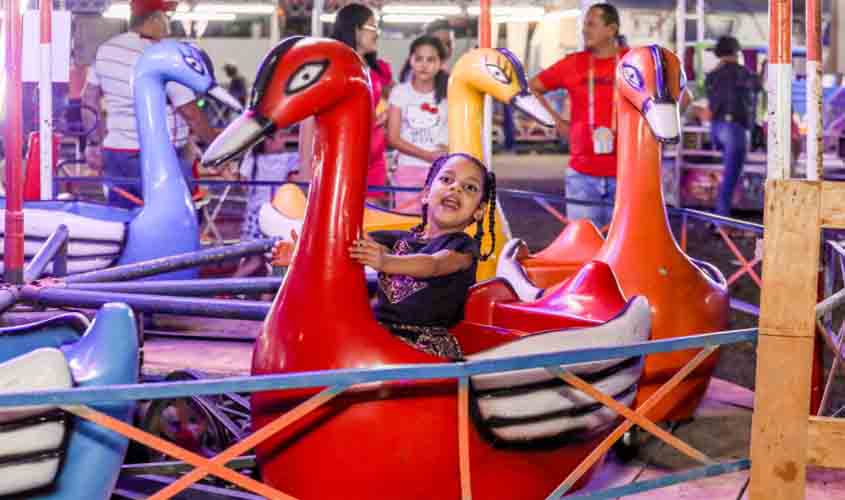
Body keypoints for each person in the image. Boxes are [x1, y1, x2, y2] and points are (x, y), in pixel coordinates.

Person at [349, 153, 496, 359]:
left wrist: (386, 261)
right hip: (380, 333)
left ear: (479, 211)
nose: (456, 188)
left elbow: (433, 264)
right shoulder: (400, 239)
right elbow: (350, 242)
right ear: (426, 193)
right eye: (446, 180)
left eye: (469, 187)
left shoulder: (463, 248)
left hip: (425, 342)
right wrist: (299, 252)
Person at [82, 0, 220, 209]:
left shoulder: (106, 50)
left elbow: (88, 99)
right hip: (157, 156)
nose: (168, 26)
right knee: (179, 217)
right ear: (155, 18)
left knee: (124, 219)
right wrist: (219, 145)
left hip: (116, 154)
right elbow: (190, 112)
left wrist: (94, 144)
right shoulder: (164, 56)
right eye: (167, 18)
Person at [528, 3, 627, 229]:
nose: (584, 30)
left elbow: (676, 91)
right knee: (584, 249)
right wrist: (556, 122)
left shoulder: (633, 63)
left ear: (611, 30)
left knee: (620, 254)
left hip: (626, 175)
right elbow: (531, 88)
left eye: (591, 24)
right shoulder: (573, 63)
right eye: (584, 24)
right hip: (582, 174)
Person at [387, 35, 449, 212]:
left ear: (441, 63)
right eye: (419, 59)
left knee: (438, 222)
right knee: (406, 224)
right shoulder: (400, 92)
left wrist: (446, 151)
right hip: (408, 169)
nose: (424, 65)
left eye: (430, 60)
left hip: (442, 171)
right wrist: (426, 155)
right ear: (411, 60)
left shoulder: (449, 94)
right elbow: (393, 137)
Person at [705, 36, 762, 220]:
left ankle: (719, 217)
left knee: (727, 174)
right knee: (731, 177)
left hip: (715, 128)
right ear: (737, 52)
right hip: (735, 130)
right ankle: (720, 220)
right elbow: (758, 89)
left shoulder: (712, 75)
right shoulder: (744, 73)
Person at [230, 128, 299, 278]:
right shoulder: (287, 159)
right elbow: (295, 179)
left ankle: (225, 290)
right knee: (273, 260)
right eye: (280, 137)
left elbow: (243, 185)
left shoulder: (251, 159)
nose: (283, 141)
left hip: (253, 215)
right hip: (273, 215)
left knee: (255, 260)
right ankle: (266, 298)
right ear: (268, 140)